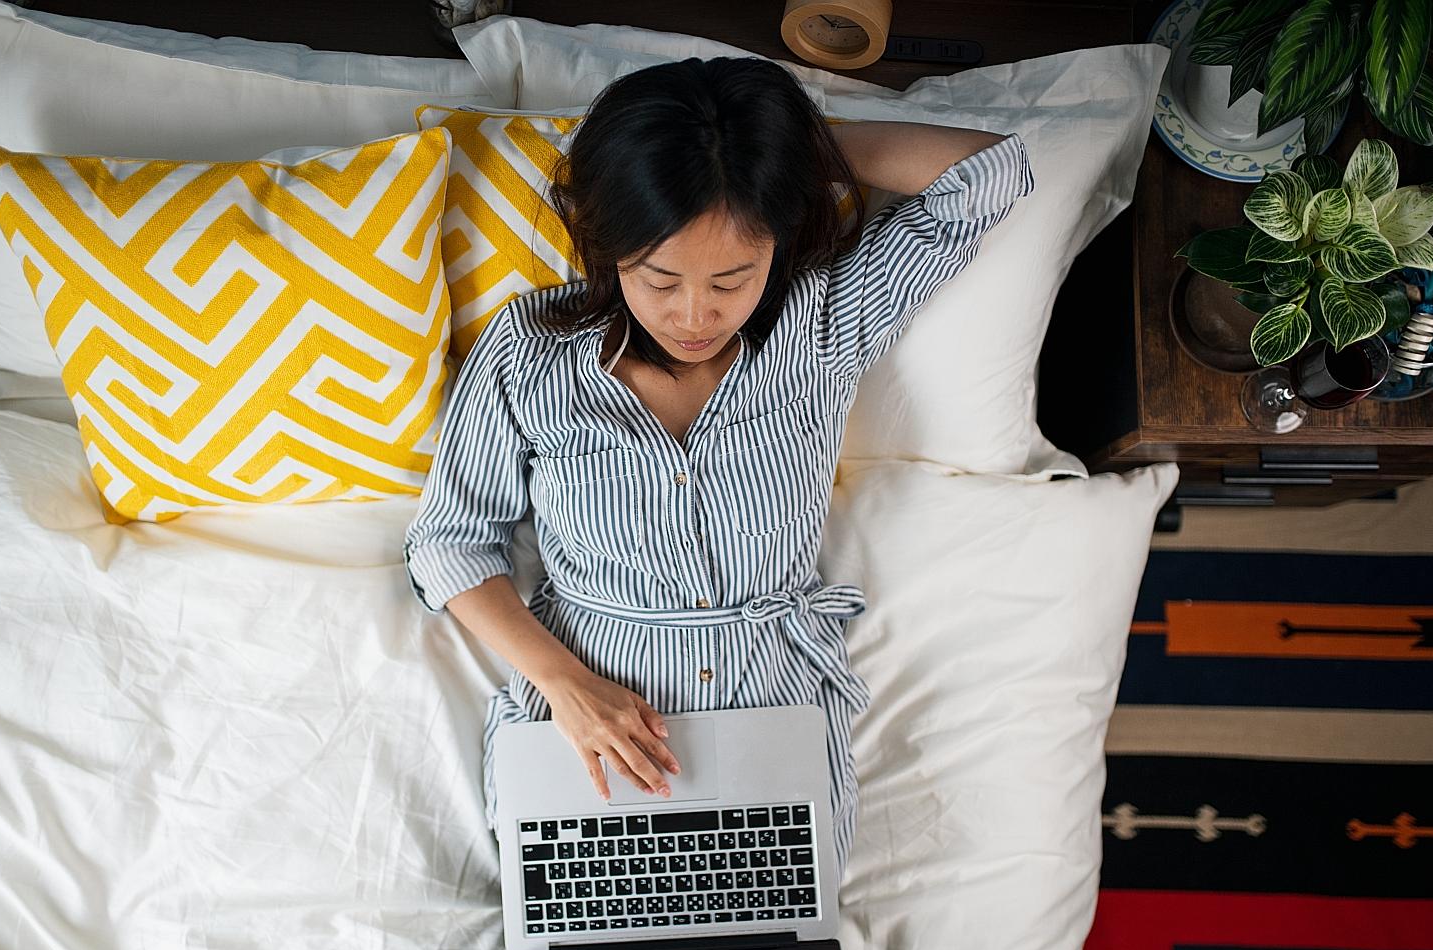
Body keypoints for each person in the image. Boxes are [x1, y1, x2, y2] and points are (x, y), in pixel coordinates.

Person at [404, 55, 1032, 876]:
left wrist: (774, 150)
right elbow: (450, 542)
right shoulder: (532, 352)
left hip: (771, 706)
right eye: (659, 279)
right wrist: (563, 684)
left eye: (733, 278)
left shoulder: (820, 323)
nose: (694, 316)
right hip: (590, 722)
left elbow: (990, 174)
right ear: (606, 244)